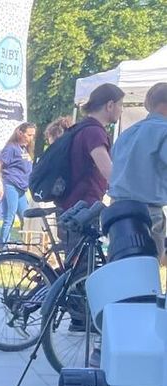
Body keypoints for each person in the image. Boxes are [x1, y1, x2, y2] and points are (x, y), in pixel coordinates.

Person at [109, 82, 167, 264]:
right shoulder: (164, 131)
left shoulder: (127, 134)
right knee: (147, 271)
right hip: (147, 211)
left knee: (123, 267)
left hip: (118, 211)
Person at [55, 83, 125, 212]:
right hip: (83, 207)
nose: (122, 110)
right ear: (110, 105)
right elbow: (110, 173)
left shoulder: (79, 128)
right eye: (120, 104)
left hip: (69, 204)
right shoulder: (94, 132)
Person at [0, 122, 36, 247]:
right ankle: (2, 250)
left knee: (26, 218)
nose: (31, 138)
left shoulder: (24, 148)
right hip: (11, 185)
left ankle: (27, 247)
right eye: (29, 135)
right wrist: (0, 185)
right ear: (20, 133)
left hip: (22, 188)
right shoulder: (11, 148)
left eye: (33, 135)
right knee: (9, 219)